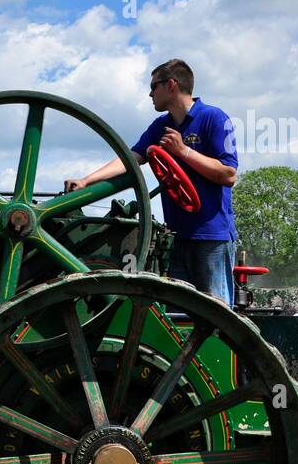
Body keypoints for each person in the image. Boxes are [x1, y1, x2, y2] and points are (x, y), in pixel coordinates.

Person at [65, 59, 238, 303]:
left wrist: (183, 151)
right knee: (180, 314)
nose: (149, 94)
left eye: (153, 86)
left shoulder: (214, 118)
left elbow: (228, 174)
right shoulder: (161, 126)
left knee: (216, 312)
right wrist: (86, 181)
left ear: (171, 85)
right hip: (177, 237)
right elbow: (131, 159)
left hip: (211, 237)